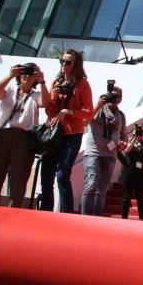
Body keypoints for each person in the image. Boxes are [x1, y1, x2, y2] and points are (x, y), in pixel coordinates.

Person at [0, 63, 48, 208]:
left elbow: (45, 102)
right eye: (24, 71)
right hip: (2, 135)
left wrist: (42, 81)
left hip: (24, 138)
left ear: (35, 78)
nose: (27, 75)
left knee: (18, 181)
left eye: (31, 73)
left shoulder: (36, 95)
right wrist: (10, 75)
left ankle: (12, 216)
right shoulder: (10, 89)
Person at [40, 49, 93, 213]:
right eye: (62, 61)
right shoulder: (56, 82)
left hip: (72, 134)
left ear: (76, 65)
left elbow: (89, 112)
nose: (64, 65)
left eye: (68, 62)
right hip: (53, 133)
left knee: (62, 175)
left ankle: (66, 213)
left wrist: (68, 112)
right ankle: (45, 211)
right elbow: (49, 112)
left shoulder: (82, 84)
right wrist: (54, 98)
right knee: (46, 175)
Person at [80, 84, 126, 216]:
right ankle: (85, 217)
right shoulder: (98, 109)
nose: (115, 98)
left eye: (118, 96)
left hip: (110, 154)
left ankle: (96, 218)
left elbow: (123, 134)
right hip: (93, 152)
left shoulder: (121, 115)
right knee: (91, 183)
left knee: (102, 189)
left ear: (121, 99)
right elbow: (84, 122)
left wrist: (124, 143)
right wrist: (97, 105)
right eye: (112, 94)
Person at [118, 123, 143, 220]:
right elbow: (127, 150)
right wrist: (134, 138)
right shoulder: (130, 140)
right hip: (129, 173)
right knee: (126, 197)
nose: (141, 133)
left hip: (140, 174)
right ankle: (124, 218)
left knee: (141, 197)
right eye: (139, 130)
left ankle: (142, 218)